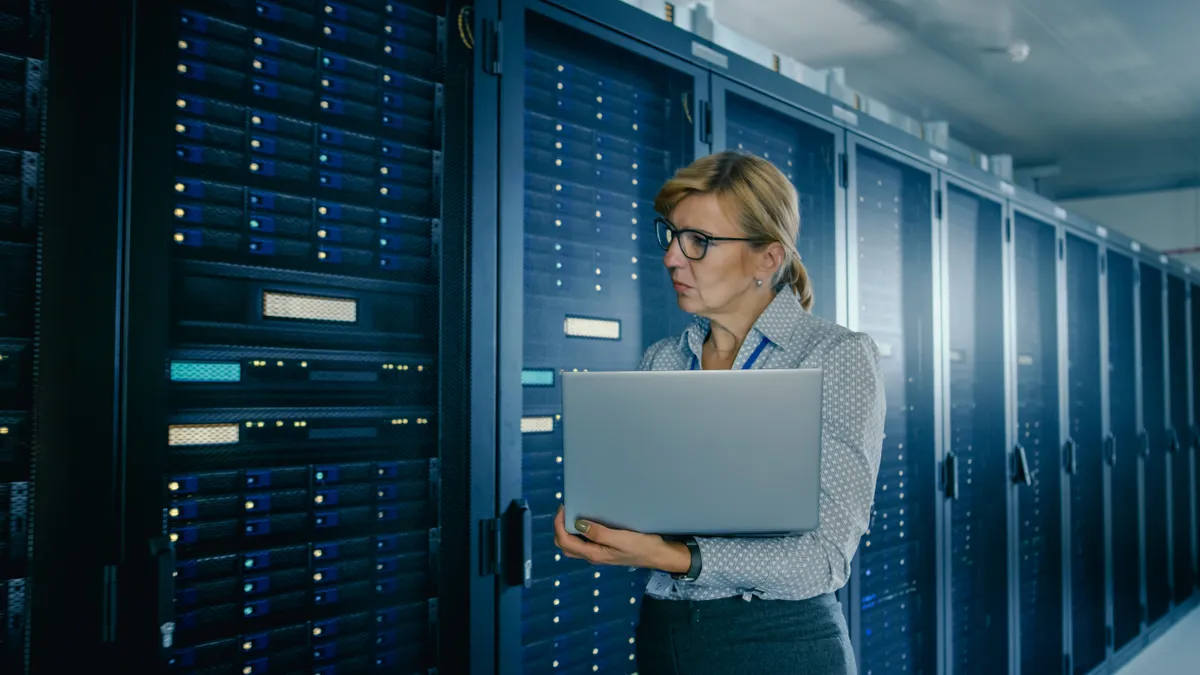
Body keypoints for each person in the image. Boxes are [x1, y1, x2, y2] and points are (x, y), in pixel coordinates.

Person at [553, 150, 886, 674]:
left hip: (779, 645)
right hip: (666, 637)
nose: (671, 258)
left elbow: (824, 558)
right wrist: (595, 526)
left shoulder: (833, 356)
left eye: (699, 243)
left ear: (767, 259)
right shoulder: (663, 360)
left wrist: (671, 557)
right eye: (672, 235)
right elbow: (640, 510)